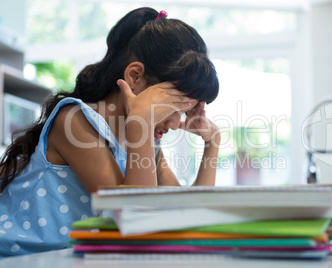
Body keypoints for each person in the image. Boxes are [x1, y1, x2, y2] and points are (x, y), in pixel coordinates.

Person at [0, 7, 220, 257]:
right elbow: (135, 219)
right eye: (173, 106)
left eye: (183, 111)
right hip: (21, 260)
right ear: (135, 76)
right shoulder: (75, 121)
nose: (173, 123)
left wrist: (212, 143)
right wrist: (141, 122)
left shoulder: (146, 143)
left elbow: (187, 217)